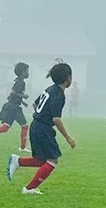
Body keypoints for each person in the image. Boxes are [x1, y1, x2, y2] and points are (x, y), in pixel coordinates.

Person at [7, 62, 77, 195]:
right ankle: (29, 189)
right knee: (53, 160)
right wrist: (69, 138)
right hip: (43, 129)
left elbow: (35, 104)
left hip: (36, 125)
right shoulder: (59, 95)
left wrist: (41, 116)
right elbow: (56, 119)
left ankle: (17, 161)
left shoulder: (50, 89)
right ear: (68, 78)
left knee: (41, 160)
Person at [0, 62, 32, 149]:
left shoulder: (16, 80)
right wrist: (23, 96)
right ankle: (23, 147)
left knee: (5, 128)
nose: (28, 73)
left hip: (11, 105)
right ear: (23, 72)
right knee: (25, 126)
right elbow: (13, 92)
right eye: (27, 71)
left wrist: (23, 102)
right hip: (14, 107)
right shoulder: (21, 82)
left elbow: (13, 94)